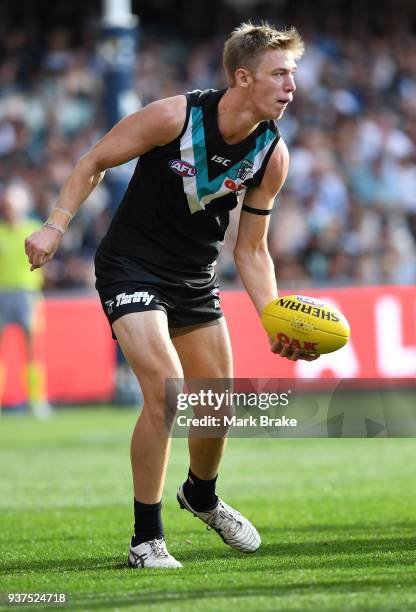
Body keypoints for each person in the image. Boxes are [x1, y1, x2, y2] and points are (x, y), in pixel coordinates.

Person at [25, 22, 319, 569]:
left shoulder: (271, 155)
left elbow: (251, 251)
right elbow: (93, 163)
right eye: (280, 74)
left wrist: (276, 319)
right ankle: (145, 541)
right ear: (243, 76)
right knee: (168, 390)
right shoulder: (173, 116)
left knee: (217, 407)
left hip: (194, 279)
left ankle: (201, 496)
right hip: (129, 267)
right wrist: (54, 226)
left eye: (293, 75)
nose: (291, 86)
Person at [0, 183, 51, 419]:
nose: (8, 209)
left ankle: (36, 401)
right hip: (2, 293)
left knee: (32, 350)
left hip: (28, 294)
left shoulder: (33, 229)